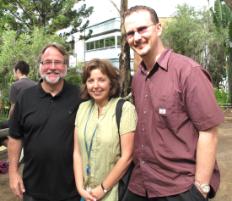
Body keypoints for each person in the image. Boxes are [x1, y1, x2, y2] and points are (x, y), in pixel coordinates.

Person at [123, 5, 224, 201]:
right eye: (130, 33)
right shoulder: (138, 79)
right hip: (141, 184)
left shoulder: (188, 72)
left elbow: (209, 132)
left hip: (178, 187)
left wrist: (200, 189)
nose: (136, 37)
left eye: (142, 29)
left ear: (158, 28)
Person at [8, 43, 81, 201]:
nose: (52, 67)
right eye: (47, 62)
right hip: (33, 190)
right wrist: (13, 173)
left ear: (65, 66)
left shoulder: (79, 96)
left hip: (71, 191)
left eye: (58, 62)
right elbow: (14, 137)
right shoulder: (25, 97)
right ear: (40, 66)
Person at [73, 59, 137, 201]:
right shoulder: (83, 108)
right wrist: (80, 188)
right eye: (90, 81)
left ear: (111, 82)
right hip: (86, 193)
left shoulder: (125, 109)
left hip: (112, 193)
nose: (95, 86)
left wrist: (102, 189)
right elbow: (77, 152)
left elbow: (127, 157)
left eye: (101, 80)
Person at [0, 61, 36, 147]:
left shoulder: (15, 85)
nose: (14, 75)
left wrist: (9, 120)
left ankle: (15, 148)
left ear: (18, 71)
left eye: (14, 72)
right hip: (34, 120)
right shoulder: (36, 85)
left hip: (20, 121)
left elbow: (13, 107)